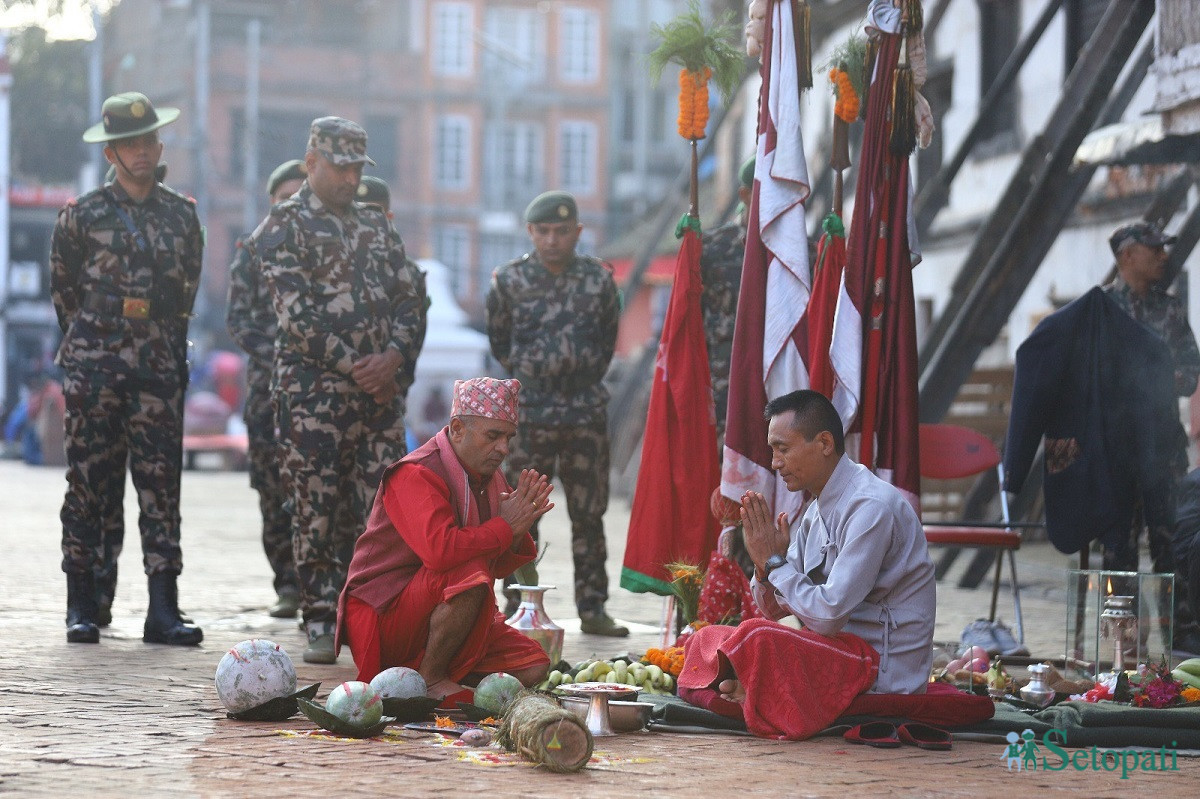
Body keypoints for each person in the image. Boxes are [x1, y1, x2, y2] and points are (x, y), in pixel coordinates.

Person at [257, 117, 425, 663]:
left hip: (378, 398)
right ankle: (321, 617)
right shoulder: (283, 226)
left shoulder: (376, 226)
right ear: (312, 163)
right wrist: (358, 365)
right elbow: (296, 317)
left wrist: (394, 356)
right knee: (317, 506)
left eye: (358, 168)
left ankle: (374, 615)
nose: (352, 178)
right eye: (341, 167)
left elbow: (409, 299)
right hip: (314, 398)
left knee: (382, 507)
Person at [51, 91, 204, 645]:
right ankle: (82, 604)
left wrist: (163, 346)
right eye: (128, 143)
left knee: (161, 486)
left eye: (147, 141)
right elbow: (64, 294)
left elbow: (185, 294)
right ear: (112, 152)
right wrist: (90, 343)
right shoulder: (81, 216)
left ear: (159, 145)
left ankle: (163, 609)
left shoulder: (182, 216)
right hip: (94, 367)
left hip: (158, 369)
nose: (141, 151)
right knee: (89, 485)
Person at [337, 377, 552, 698]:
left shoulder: (489, 478)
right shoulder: (416, 472)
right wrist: (504, 528)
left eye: (508, 437)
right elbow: (440, 552)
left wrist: (518, 529)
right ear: (457, 429)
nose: (504, 449)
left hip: (438, 610)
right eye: (493, 436)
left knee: (533, 665)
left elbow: (499, 565)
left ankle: (444, 668)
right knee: (469, 573)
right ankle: (433, 678)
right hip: (385, 615)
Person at [715, 389, 936, 700]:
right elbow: (772, 610)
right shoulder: (816, 510)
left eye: (783, 449)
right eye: (772, 451)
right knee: (715, 637)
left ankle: (751, 691)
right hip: (840, 652)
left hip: (884, 673)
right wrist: (765, 567)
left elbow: (828, 617)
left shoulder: (871, 507)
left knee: (756, 640)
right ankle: (750, 689)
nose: (775, 463)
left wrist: (777, 564)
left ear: (824, 444)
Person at [485, 190, 626, 637]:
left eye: (561, 231)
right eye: (543, 231)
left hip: (584, 408)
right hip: (531, 413)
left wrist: (574, 378)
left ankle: (593, 607)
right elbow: (501, 346)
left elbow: (606, 344)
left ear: (577, 233)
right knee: (521, 513)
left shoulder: (599, 281)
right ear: (530, 232)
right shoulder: (508, 282)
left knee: (589, 512)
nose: (552, 239)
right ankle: (515, 607)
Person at [1102, 221, 1200, 655]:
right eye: (1153, 249)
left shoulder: (1172, 309)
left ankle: (1180, 648)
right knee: (1118, 553)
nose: (1163, 255)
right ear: (1127, 256)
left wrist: (1156, 377)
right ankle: (1123, 653)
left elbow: (1191, 372)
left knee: (1172, 549)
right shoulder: (1101, 309)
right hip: (1118, 455)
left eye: (1164, 249)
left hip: (1163, 450)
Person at [226, 158, 307, 619]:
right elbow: (237, 320)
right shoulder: (252, 251)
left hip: (317, 391)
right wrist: (280, 352)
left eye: (300, 197)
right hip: (267, 390)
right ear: (271, 201)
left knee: (318, 492)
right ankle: (288, 586)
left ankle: (325, 587)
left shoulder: (324, 245)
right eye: (285, 198)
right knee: (272, 490)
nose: (292, 206)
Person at [355, 174, 429, 416]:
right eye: (358, 212)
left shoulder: (410, 274)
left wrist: (391, 382)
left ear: (389, 218)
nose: (366, 221)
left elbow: (414, 339)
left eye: (375, 213)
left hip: (387, 400)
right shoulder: (328, 267)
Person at [700, 156, 753, 446]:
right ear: (745, 195)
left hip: (781, 383)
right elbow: (690, 320)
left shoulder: (802, 256)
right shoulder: (712, 249)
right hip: (724, 381)